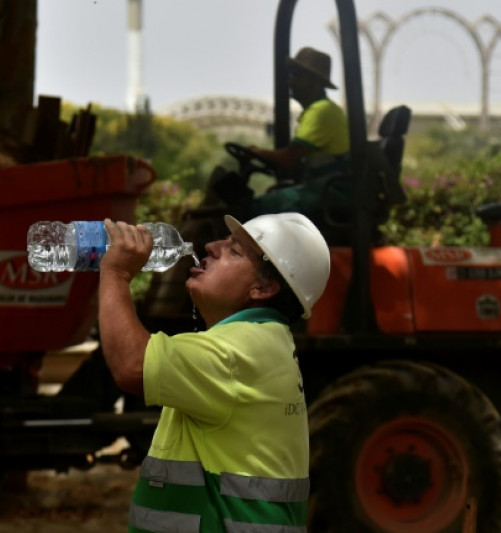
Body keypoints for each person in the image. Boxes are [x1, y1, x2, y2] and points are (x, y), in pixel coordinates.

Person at [98, 213, 331, 532]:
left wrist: (116, 273)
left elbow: (131, 365)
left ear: (263, 288)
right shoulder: (262, 342)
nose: (211, 246)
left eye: (235, 251)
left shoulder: (241, 349)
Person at [212, 47, 350, 224]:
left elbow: (288, 158)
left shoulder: (321, 112)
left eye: (298, 75)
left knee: (258, 209)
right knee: (270, 197)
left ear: (316, 81)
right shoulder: (320, 111)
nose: (291, 81)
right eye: (292, 74)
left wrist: (258, 152)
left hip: (332, 193)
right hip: (324, 189)